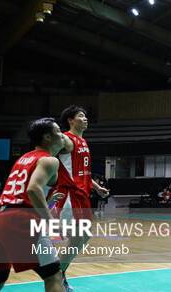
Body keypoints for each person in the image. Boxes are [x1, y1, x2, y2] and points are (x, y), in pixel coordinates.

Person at [0, 118, 65, 292]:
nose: (62, 135)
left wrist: (47, 202)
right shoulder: (50, 160)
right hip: (21, 221)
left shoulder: (24, 158)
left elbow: (19, 194)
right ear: (47, 137)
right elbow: (33, 190)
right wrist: (52, 222)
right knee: (53, 275)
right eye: (58, 131)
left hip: (0, 218)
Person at [50, 106, 110, 291]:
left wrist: (97, 187)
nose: (85, 119)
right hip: (69, 196)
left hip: (82, 196)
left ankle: (59, 274)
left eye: (85, 116)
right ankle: (55, 276)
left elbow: (83, 172)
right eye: (81, 116)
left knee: (84, 237)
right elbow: (46, 156)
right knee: (78, 237)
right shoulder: (66, 140)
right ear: (70, 120)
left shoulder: (83, 142)